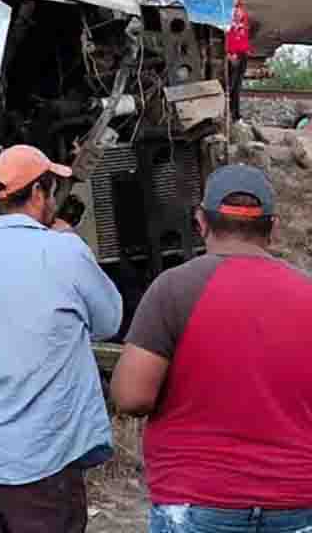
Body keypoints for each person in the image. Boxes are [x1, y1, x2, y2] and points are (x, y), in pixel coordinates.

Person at [112, 164, 312, 533]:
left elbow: (131, 397)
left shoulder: (172, 290)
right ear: (274, 227)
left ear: (201, 221)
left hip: (196, 499)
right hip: (297, 500)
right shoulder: (307, 294)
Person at [0, 145, 123, 533]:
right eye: (52, 190)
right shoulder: (64, 252)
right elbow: (110, 320)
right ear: (39, 192)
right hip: (46, 459)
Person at [226, 0, 251, 124]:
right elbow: (230, 32)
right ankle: (232, 115)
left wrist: (246, 49)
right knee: (232, 85)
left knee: (237, 85)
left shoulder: (241, 10)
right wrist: (230, 53)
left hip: (242, 52)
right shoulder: (231, 11)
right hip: (235, 53)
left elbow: (242, 31)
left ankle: (235, 114)